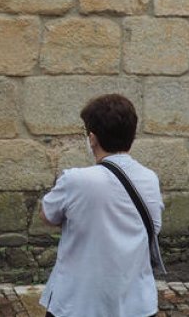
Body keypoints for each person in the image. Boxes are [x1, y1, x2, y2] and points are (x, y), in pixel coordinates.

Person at [39, 94, 164, 317]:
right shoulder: (150, 179)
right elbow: (154, 228)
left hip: (78, 303)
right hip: (136, 303)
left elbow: (47, 215)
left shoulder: (75, 180)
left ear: (93, 138)